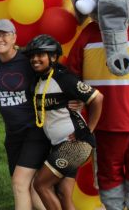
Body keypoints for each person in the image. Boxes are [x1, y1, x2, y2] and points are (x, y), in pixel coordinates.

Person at [24, 35, 103, 210]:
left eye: (40, 55)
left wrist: (87, 131)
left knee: (41, 185)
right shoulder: (38, 82)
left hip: (75, 145)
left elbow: (98, 99)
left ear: (53, 57)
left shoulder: (64, 79)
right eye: (32, 56)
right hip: (59, 145)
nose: (35, 59)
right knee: (63, 193)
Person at [0, 19, 51, 210]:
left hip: (35, 131)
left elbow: (55, 77)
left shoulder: (28, 60)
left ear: (14, 37)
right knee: (27, 186)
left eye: (4, 34)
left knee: (19, 183)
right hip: (13, 133)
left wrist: (74, 98)